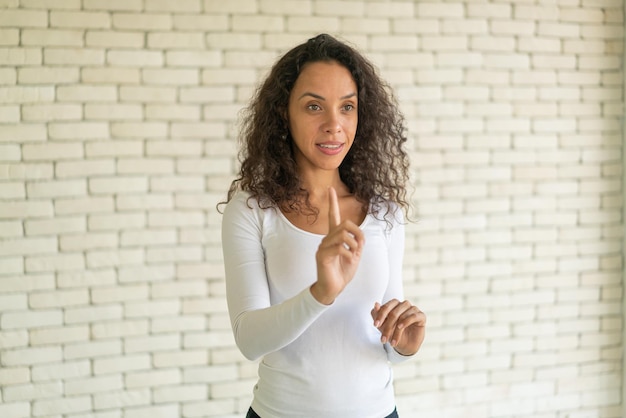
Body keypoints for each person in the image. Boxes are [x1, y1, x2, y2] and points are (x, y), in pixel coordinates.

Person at [220, 33, 426, 418]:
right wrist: (321, 292)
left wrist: (404, 344)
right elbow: (249, 340)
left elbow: (385, 341)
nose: (334, 124)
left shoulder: (384, 212)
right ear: (284, 112)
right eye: (315, 106)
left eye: (347, 107)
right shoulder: (252, 210)